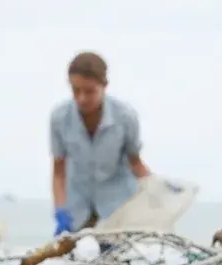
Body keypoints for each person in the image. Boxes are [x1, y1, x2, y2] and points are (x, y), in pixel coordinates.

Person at [49, 52, 156, 235]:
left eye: (89, 91)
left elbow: (135, 163)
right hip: (78, 210)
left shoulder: (125, 116)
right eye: (76, 90)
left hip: (118, 209)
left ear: (104, 86)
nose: (82, 98)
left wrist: (156, 192)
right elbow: (59, 172)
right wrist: (60, 212)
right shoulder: (60, 118)